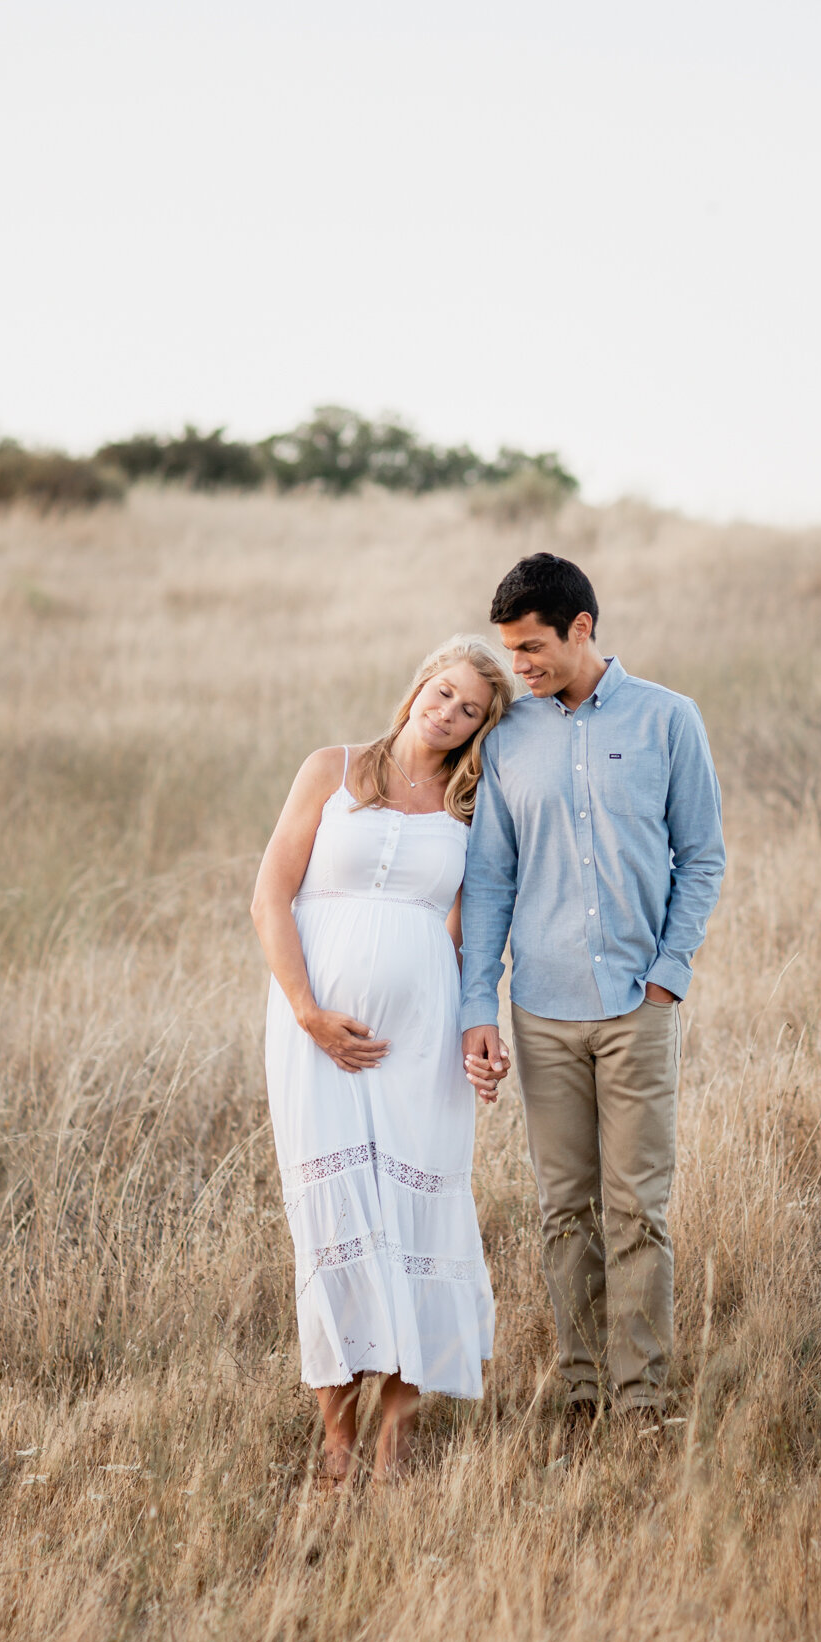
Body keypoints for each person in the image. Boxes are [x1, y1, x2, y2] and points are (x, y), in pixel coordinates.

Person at [460, 553, 725, 1419]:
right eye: (510, 651)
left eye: (532, 648)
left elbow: (703, 856)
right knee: (562, 1209)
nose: (520, 667)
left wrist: (668, 977)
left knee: (636, 1210)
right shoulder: (506, 738)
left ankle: (641, 1394)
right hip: (540, 1010)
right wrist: (479, 1007)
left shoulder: (669, 720)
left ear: (582, 629)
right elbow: (490, 880)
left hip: (637, 1010)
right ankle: (579, 1388)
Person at [251, 636, 517, 1484]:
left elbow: (476, 933)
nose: (449, 714)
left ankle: (396, 1442)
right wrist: (308, 1012)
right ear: (417, 688)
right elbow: (270, 895)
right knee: (332, 1221)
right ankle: (336, 1440)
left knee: (413, 1221)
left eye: (470, 709)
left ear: (481, 726)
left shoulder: (471, 801)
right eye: (442, 693)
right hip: (316, 1034)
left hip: (422, 1044)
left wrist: (480, 1026)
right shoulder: (331, 770)